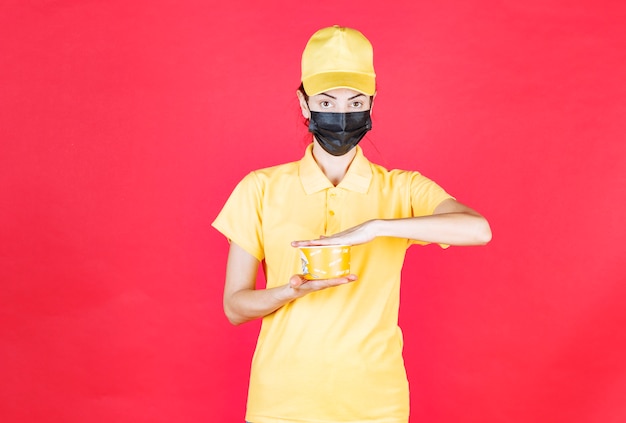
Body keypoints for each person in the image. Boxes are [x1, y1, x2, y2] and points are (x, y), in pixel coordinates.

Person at [212, 25, 492, 423]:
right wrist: (290, 292)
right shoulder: (259, 189)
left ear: (372, 105)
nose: (341, 115)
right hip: (281, 400)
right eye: (326, 102)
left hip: (376, 401)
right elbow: (235, 307)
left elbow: (478, 230)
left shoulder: (403, 189)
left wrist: (376, 227)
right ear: (304, 103)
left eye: (355, 101)